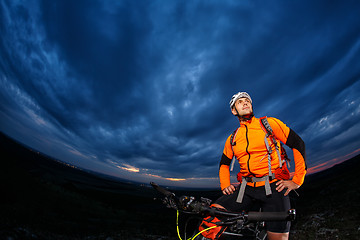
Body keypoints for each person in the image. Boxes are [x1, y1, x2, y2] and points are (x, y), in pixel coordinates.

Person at [212, 92, 306, 240]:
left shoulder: (269, 124)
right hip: (247, 189)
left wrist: (297, 180)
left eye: (247, 101)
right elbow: (224, 164)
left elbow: (298, 143)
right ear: (234, 111)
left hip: (275, 187)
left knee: (278, 238)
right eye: (240, 102)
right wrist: (225, 184)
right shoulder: (233, 137)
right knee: (211, 217)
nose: (245, 103)